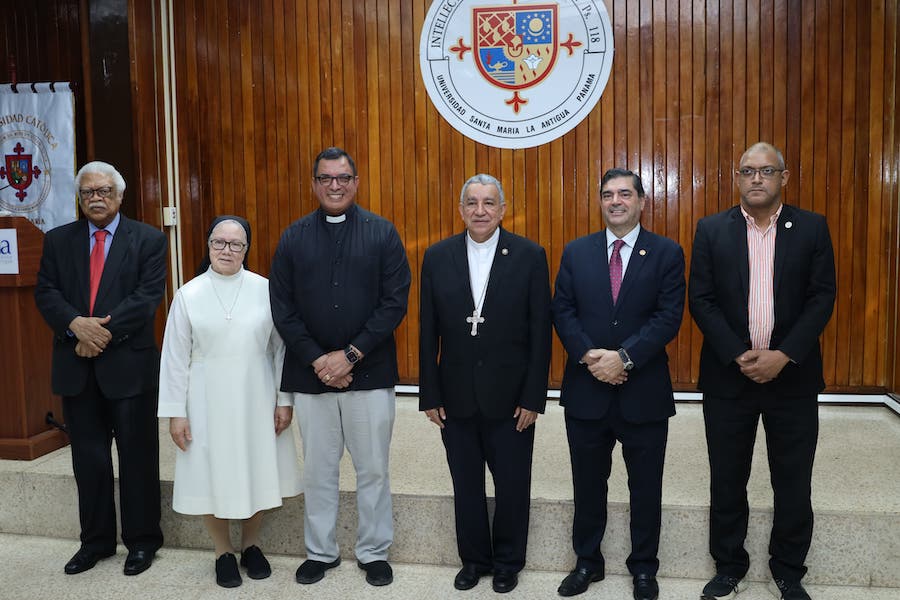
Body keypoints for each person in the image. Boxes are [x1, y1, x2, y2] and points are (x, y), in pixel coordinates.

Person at [689, 142, 836, 600]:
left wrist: (783, 354)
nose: (756, 178)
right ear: (737, 177)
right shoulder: (712, 229)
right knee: (727, 477)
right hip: (727, 377)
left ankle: (788, 569)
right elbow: (702, 299)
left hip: (791, 376)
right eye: (747, 171)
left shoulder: (811, 227)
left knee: (792, 478)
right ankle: (730, 565)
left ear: (784, 178)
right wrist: (738, 353)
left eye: (766, 171)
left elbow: (822, 297)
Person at [269, 146, 411, 587]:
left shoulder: (383, 233)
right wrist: (318, 359)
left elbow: (394, 303)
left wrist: (349, 356)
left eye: (343, 178)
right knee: (319, 469)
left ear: (355, 182)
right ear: (314, 184)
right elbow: (282, 308)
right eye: (326, 178)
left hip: (369, 374)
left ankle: (373, 551)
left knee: (372, 468)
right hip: (311, 378)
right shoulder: (293, 237)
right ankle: (321, 551)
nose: (335, 185)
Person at [551, 168, 685, 600]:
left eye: (624, 194)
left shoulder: (666, 252)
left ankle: (644, 568)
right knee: (587, 484)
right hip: (587, 390)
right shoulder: (577, 252)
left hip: (643, 391)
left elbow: (668, 317)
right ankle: (587, 562)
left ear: (642, 201)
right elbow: (563, 311)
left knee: (645, 487)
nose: (615, 201)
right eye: (607, 194)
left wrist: (624, 357)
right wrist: (592, 357)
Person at [418, 174, 551, 594]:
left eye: (489, 203)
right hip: (455, 396)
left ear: (503, 209)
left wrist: (534, 396)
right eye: (472, 203)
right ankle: (473, 560)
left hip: (512, 399)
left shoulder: (530, 255)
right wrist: (429, 393)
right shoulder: (437, 257)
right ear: (460, 209)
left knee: (513, 484)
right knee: (466, 485)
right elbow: (427, 332)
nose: (480, 211)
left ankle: (509, 561)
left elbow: (540, 333)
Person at [34, 161, 166, 576]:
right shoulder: (57, 240)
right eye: (89, 191)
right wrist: (76, 326)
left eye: (104, 191)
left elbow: (147, 298)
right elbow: (46, 292)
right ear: (79, 196)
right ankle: (95, 542)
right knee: (88, 460)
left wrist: (98, 335)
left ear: (120, 196)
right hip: (77, 368)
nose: (96, 197)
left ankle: (142, 542)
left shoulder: (148, 239)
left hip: (128, 365)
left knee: (137, 457)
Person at [157, 216, 303, 588]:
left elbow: (280, 351)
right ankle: (223, 551)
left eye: (235, 244)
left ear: (246, 249)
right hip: (204, 400)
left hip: (257, 395)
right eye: (219, 242)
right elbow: (174, 358)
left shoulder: (265, 290)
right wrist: (175, 413)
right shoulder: (188, 294)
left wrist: (284, 400)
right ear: (208, 246)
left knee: (255, 469)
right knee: (211, 474)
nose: (226, 250)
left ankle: (251, 545)